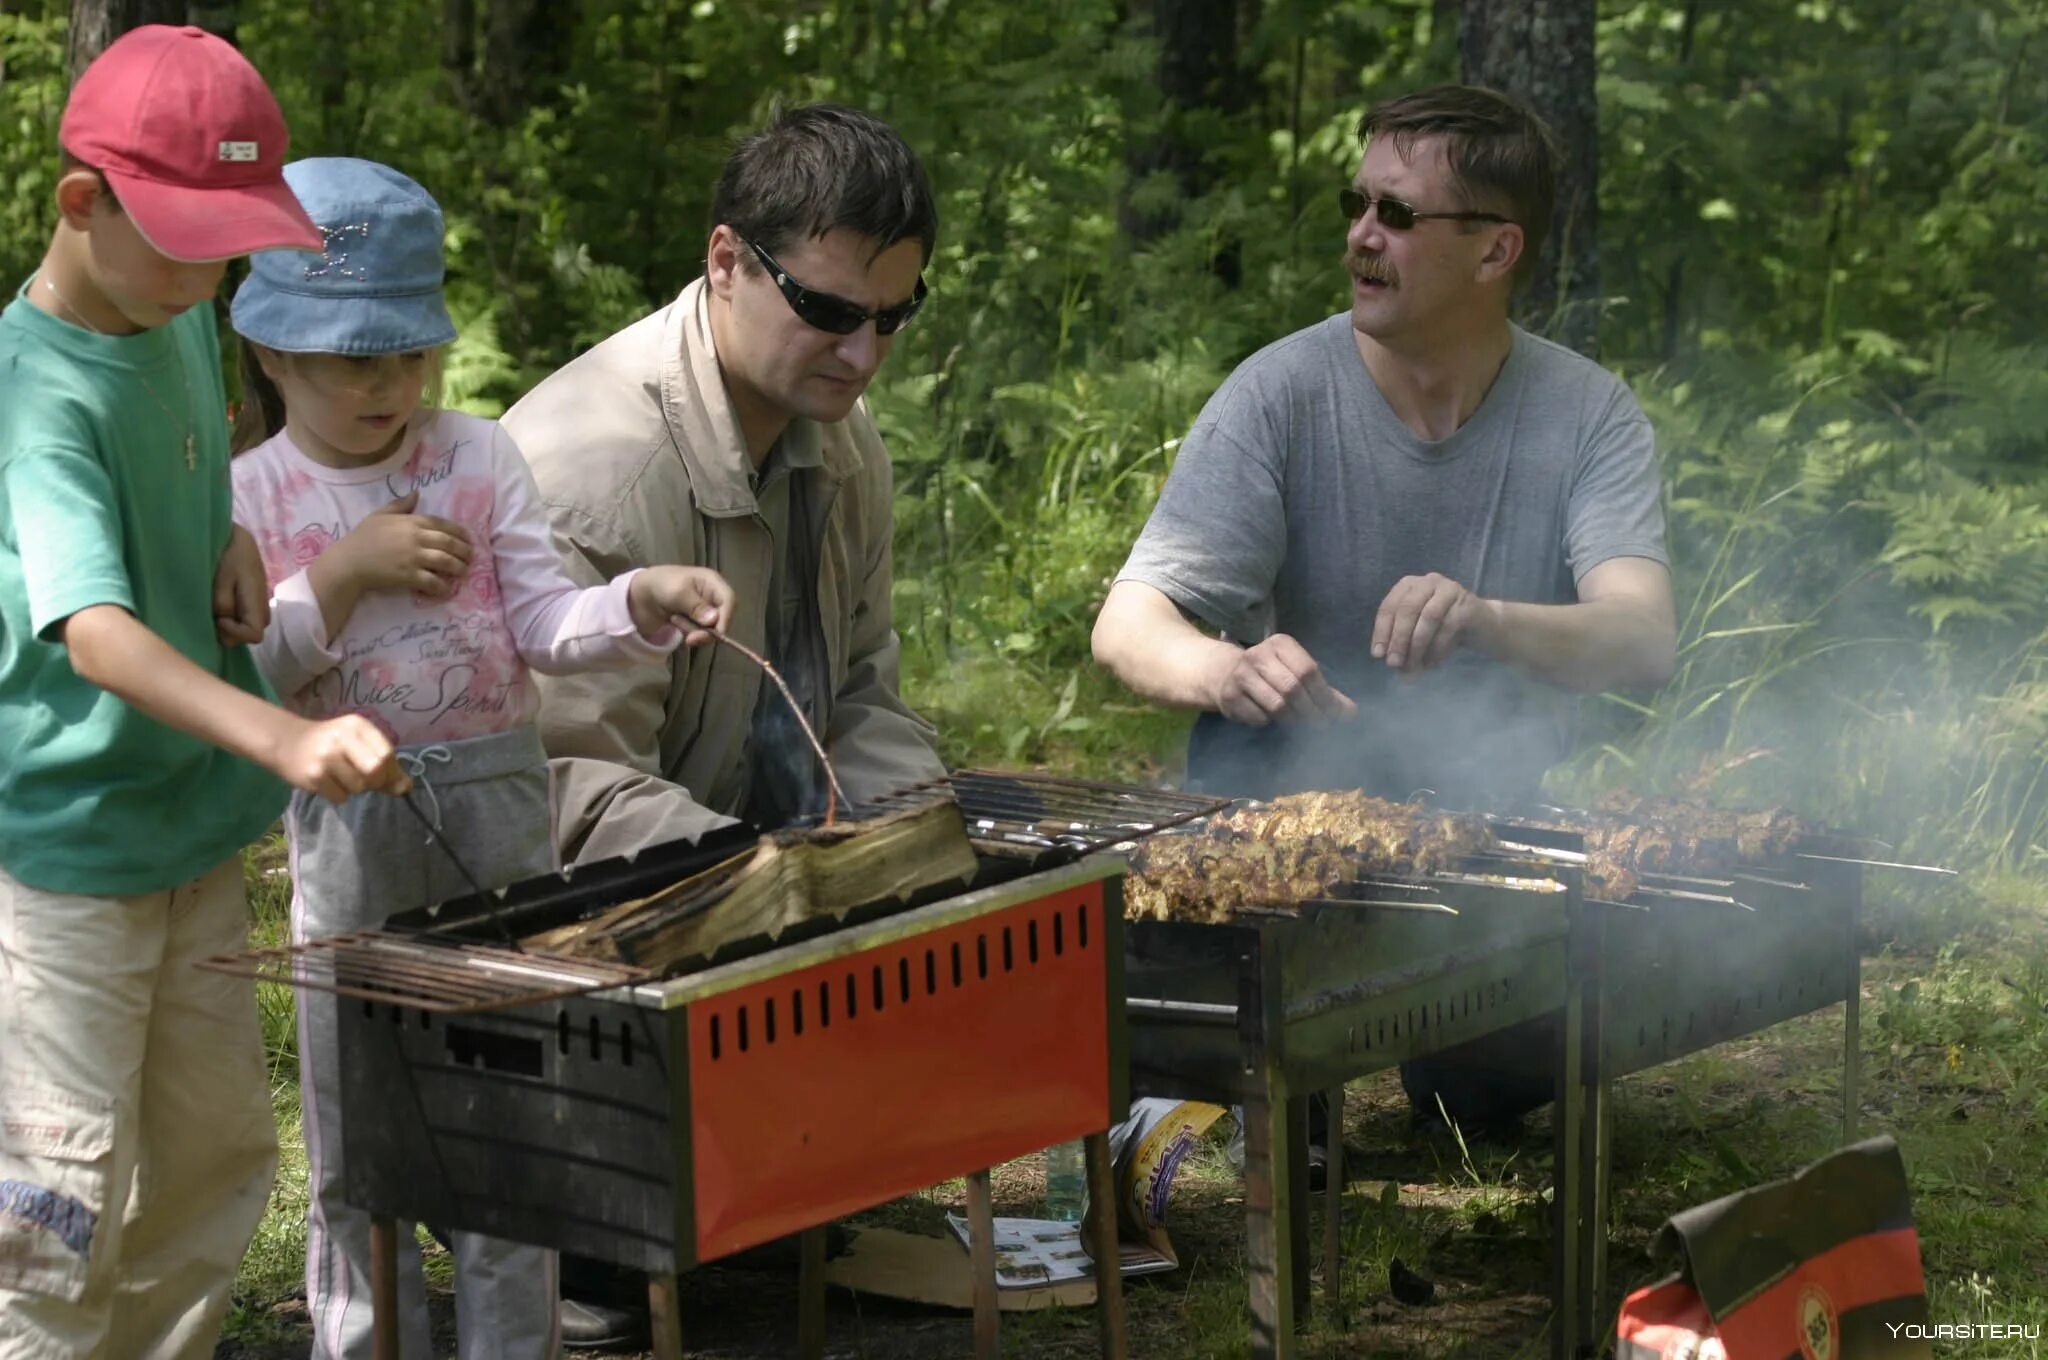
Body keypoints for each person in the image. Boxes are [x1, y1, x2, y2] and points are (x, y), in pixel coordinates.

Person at [1092, 85, 1676, 1142]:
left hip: (1479, 815)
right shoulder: (1277, 395)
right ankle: (1264, 1058)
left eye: (1397, 216)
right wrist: (1224, 670)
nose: (1362, 235)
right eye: (1357, 203)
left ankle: (1458, 1049)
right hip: (1284, 804)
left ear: (1494, 252)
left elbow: (1641, 638)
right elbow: (1128, 621)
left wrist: (1486, 618)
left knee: (1488, 1097)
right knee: (1277, 1091)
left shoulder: (1586, 414)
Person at [226, 157, 738, 1360]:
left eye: (409, 354)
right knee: (362, 1125)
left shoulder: (476, 457)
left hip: (502, 819)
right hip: (352, 837)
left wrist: (638, 601)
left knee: (510, 1116)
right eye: (357, 361)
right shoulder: (254, 494)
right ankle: (366, 1338)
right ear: (274, 355)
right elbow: (254, 678)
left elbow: (543, 626)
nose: (390, 385)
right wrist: (342, 573)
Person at [500, 102, 945, 1347]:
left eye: (893, 318)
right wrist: (785, 887)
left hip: (739, 878)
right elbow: (562, 791)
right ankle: (585, 1224)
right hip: (542, 941)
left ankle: (782, 1172)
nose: (864, 359)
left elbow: (860, 691)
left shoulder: (840, 442)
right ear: (726, 261)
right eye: (830, 311)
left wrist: (901, 852)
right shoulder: (595, 471)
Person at [0, 28, 410, 1359]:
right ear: (81, 205)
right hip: (66, 858)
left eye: (235, 242)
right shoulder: (36, 388)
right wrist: (283, 731)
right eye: (191, 239)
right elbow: (97, 630)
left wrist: (226, 538)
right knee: (57, 1200)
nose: (216, 274)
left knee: (215, 1153)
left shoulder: (167, 311)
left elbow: (194, 464)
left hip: (185, 832)